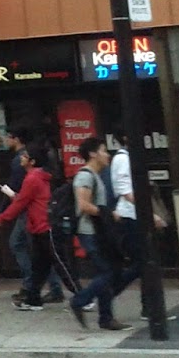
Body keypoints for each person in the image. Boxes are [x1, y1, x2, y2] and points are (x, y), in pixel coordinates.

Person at [68, 137, 130, 331]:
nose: (107, 154)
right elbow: (84, 205)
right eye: (103, 150)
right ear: (93, 154)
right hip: (89, 232)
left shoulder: (97, 176)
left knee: (108, 272)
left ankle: (106, 318)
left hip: (98, 231)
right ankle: (79, 301)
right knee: (108, 272)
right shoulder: (85, 176)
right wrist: (109, 214)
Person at [0, 146, 67, 310]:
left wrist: (3, 217)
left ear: (32, 161)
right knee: (40, 265)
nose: (21, 158)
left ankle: (83, 297)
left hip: (42, 225)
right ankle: (33, 299)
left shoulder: (32, 178)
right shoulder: (37, 176)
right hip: (38, 226)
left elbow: (21, 203)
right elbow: (25, 200)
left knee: (60, 265)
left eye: (25, 156)